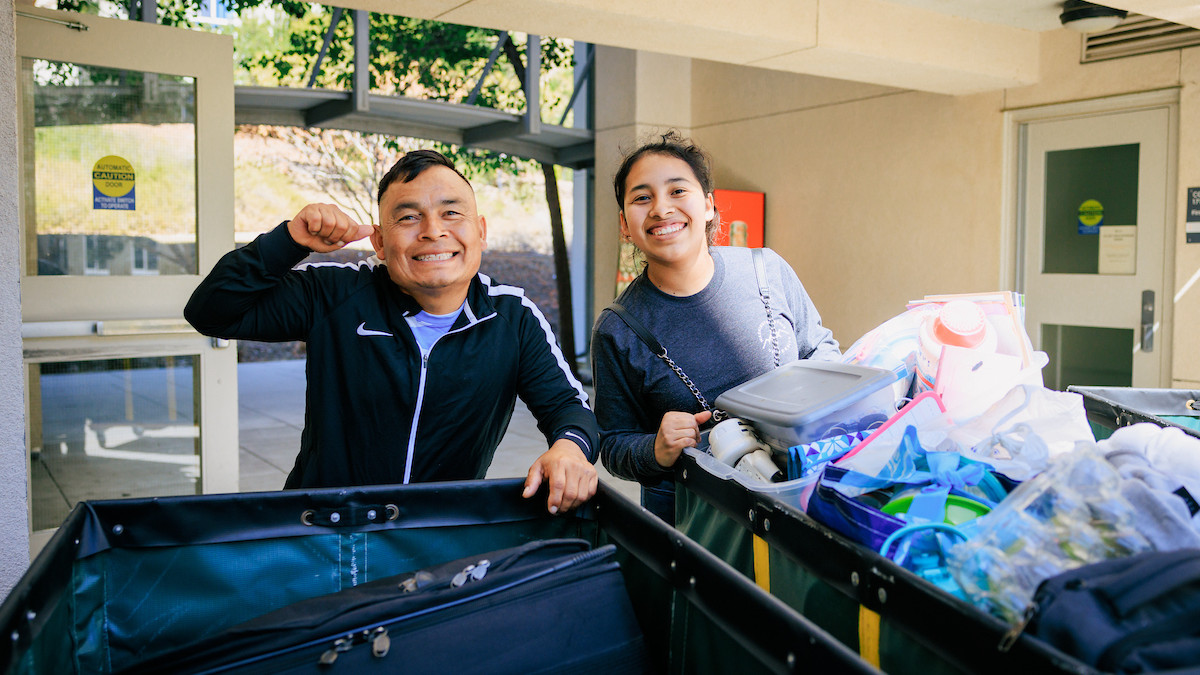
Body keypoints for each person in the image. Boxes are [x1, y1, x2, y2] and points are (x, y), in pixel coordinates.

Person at [185, 149, 598, 514]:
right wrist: (290, 240)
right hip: (322, 529)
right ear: (379, 242)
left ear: (481, 231)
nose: (433, 230)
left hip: (435, 532)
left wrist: (569, 448)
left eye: (451, 212)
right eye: (408, 217)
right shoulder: (336, 295)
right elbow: (212, 311)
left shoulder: (512, 317)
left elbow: (569, 408)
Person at [591, 131, 841, 522]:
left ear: (708, 205)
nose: (660, 209)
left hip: (806, 497)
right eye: (642, 197)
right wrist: (657, 448)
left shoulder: (766, 269)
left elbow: (821, 351)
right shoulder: (619, 329)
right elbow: (613, 445)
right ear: (625, 225)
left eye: (677, 191)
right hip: (700, 526)